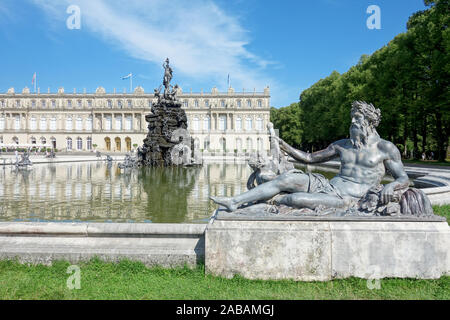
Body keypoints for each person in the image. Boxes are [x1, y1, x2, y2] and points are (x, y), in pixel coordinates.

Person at [210, 101, 410, 211]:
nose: (352, 123)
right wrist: (284, 145)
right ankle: (235, 201)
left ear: (369, 122)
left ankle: (268, 200)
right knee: (287, 178)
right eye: (351, 120)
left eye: (356, 119)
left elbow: (403, 177)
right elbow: (309, 158)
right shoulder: (342, 145)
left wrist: (391, 185)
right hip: (326, 185)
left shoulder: (386, 148)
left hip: (348, 198)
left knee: (296, 199)